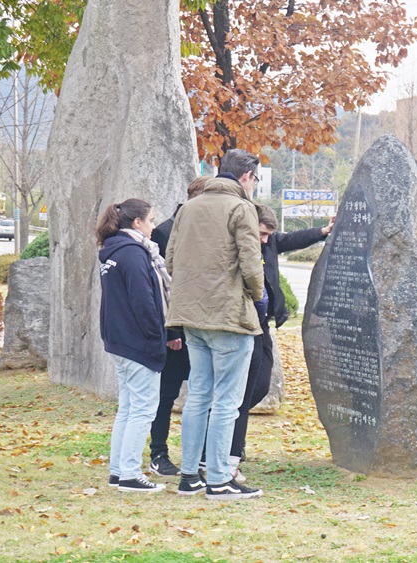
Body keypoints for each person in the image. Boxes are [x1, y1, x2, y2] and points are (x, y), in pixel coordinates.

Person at [166, 149, 265, 500]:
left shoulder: (189, 207)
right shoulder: (242, 208)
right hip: (229, 317)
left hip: (192, 316)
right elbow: (252, 264)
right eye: (256, 179)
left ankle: (189, 474)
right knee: (227, 401)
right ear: (247, 176)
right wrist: (256, 296)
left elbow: (171, 260)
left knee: (198, 397)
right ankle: (220, 479)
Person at [227, 205, 334, 481]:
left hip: (262, 325)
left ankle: (229, 436)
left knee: (259, 387)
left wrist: (323, 231)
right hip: (240, 324)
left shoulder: (271, 241)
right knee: (238, 389)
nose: (265, 239)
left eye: (269, 235)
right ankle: (230, 447)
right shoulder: (237, 243)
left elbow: (293, 239)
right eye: (262, 233)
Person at [96, 199, 167, 493]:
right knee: (142, 410)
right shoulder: (134, 254)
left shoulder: (113, 252)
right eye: (150, 220)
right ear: (136, 223)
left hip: (119, 339)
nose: (153, 226)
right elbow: (143, 301)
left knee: (128, 408)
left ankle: (119, 470)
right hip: (137, 341)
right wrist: (155, 338)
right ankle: (128, 473)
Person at [146, 176, 209, 477]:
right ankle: (158, 452)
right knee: (167, 394)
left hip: (203, 327)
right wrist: (172, 331)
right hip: (177, 330)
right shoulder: (165, 232)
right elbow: (163, 286)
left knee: (204, 392)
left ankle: (202, 454)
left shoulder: (203, 229)